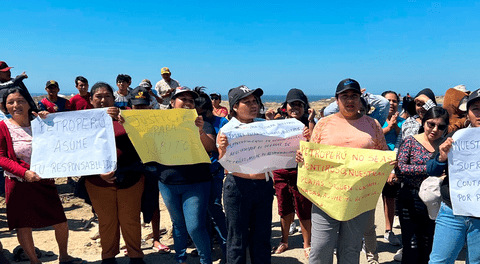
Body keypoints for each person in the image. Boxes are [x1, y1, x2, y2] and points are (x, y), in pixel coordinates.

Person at [296, 78, 389, 264]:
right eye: (344, 96)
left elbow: (384, 154)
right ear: (336, 100)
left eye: (354, 95)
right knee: (320, 248)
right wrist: (302, 157)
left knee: (350, 249)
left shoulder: (373, 125)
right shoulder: (323, 123)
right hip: (325, 197)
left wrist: (389, 165)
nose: (349, 100)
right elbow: (312, 154)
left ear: (360, 99)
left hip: (358, 199)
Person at [0, 87, 83, 264]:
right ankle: (34, 261)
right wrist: (24, 172)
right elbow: (1, 157)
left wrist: (50, 120)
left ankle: (64, 256)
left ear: (28, 103)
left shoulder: (40, 122)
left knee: (60, 220)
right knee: (23, 225)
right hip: (18, 183)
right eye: (11, 102)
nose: (16, 105)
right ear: (5, 107)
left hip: (44, 181)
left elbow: (60, 142)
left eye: (20, 101)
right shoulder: (3, 127)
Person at [84, 82, 146, 264]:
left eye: (107, 96)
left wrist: (124, 120)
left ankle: (135, 256)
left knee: (131, 220)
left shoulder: (126, 114)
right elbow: (77, 151)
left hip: (130, 178)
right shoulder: (81, 122)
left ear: (114, 99)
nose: (103, 100)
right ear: (91, 99)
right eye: (98, 96)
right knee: (106, 222)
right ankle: (108, 257)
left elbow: (144, 137)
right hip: (97, 181)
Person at [155, 86, 215, 264]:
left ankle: (206, 260)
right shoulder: (160, 123)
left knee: (195, 226)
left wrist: (200, 131)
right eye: (183, 99)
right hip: (167, 182)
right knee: (178, 225)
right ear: (172, 103)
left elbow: (210, 148)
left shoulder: (203, 122)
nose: (188, 103)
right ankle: (180, 259)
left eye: (191, 100)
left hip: (196, 182)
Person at [217, 85, 274, 264]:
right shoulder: (228, 130)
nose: (253, 105)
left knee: (262, 238)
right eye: (247, 102)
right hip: (238, 187)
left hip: (263, 186)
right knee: (237, 240)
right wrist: (223, 148)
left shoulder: (266, 126)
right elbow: (223, 163)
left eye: (254, 101)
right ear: (235, 106)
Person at [426, 88, 480, 264]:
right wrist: (441, 157)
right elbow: (431, 170)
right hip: (452, 211)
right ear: (468, 112)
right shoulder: (455, 137)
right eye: (476, 109)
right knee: (439, 261)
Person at [396, 106, 449, 264]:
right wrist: (429, 169)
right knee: (411, 245)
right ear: (424, 122)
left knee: (429, 244)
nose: (435, 129)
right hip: (411, 198)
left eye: (441, 127)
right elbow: (401, 168)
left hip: (436, 200)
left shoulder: (446, 147)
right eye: (431, 124)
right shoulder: (411, 141)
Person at [269, 88, 315, 259]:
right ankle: (284, 240)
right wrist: (269, 121)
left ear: (305, 107)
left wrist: (310, 122)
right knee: (284, 208)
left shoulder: (309, 123)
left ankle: (307, 243)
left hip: (301, 173)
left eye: (299, 104)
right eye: (292, 104)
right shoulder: (278, 122)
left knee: (303, 208)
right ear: (285, 106)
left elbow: (314, 144)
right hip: (280, 171)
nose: (295, 107)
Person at [194, 87, 229, 261]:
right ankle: (205, 247)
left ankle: (226, 247)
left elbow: (225, 148)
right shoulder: (191, 122)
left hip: (214, 171)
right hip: (196, 173)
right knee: (201, 213)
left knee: (215, 209)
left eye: (204, 113)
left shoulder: (222, 122)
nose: (201, 117)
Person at [381, 91, 403, 247]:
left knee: (390, 198)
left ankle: (389, 230)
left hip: (393, 166)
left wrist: (395, 126)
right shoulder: (375, 120)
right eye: (388, 100)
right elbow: (372, 137)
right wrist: (388, 127)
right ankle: (365, 235)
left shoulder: (403, 122)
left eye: (394, 101)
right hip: (375, 165)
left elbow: (404, 138)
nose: (391, 103)